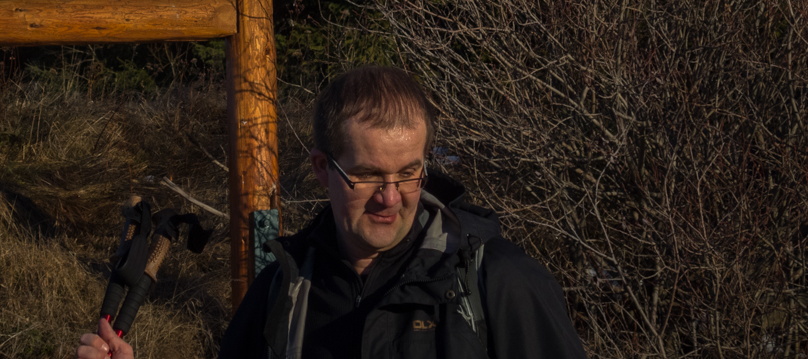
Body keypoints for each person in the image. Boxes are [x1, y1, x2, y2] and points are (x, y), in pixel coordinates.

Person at [78, 66, 586, 359]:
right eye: (367, 175)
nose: (391, 197)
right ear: (321, 168)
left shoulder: (496, 282)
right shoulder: (284, 290)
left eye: (409, 172)